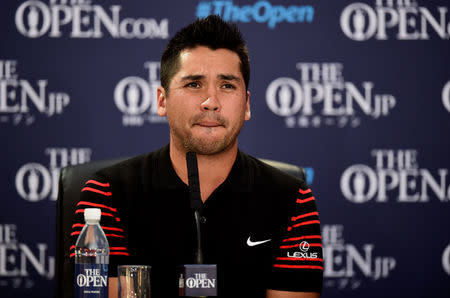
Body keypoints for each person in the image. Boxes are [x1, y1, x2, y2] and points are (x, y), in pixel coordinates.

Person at [70, 15, 323, 297]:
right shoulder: (106, 193)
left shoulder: (292, 199)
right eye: (194, 84)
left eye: (227, 85)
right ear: (162, 100)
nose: (211, 102)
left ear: (247, 105)